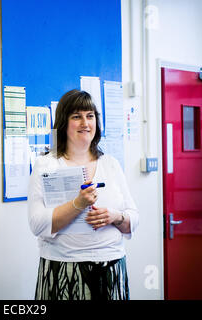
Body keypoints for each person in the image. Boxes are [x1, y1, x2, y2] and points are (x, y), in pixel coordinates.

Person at [28, 89, 139, 300]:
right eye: (76, 116)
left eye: (90, 116)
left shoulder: (111, 164)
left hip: (111, 269)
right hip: (63, 271)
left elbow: (134, 217)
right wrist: (77, 204)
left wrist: (116, 216)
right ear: (63, 122)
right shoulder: (47, 164)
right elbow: (37, 224)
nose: (85, 123)